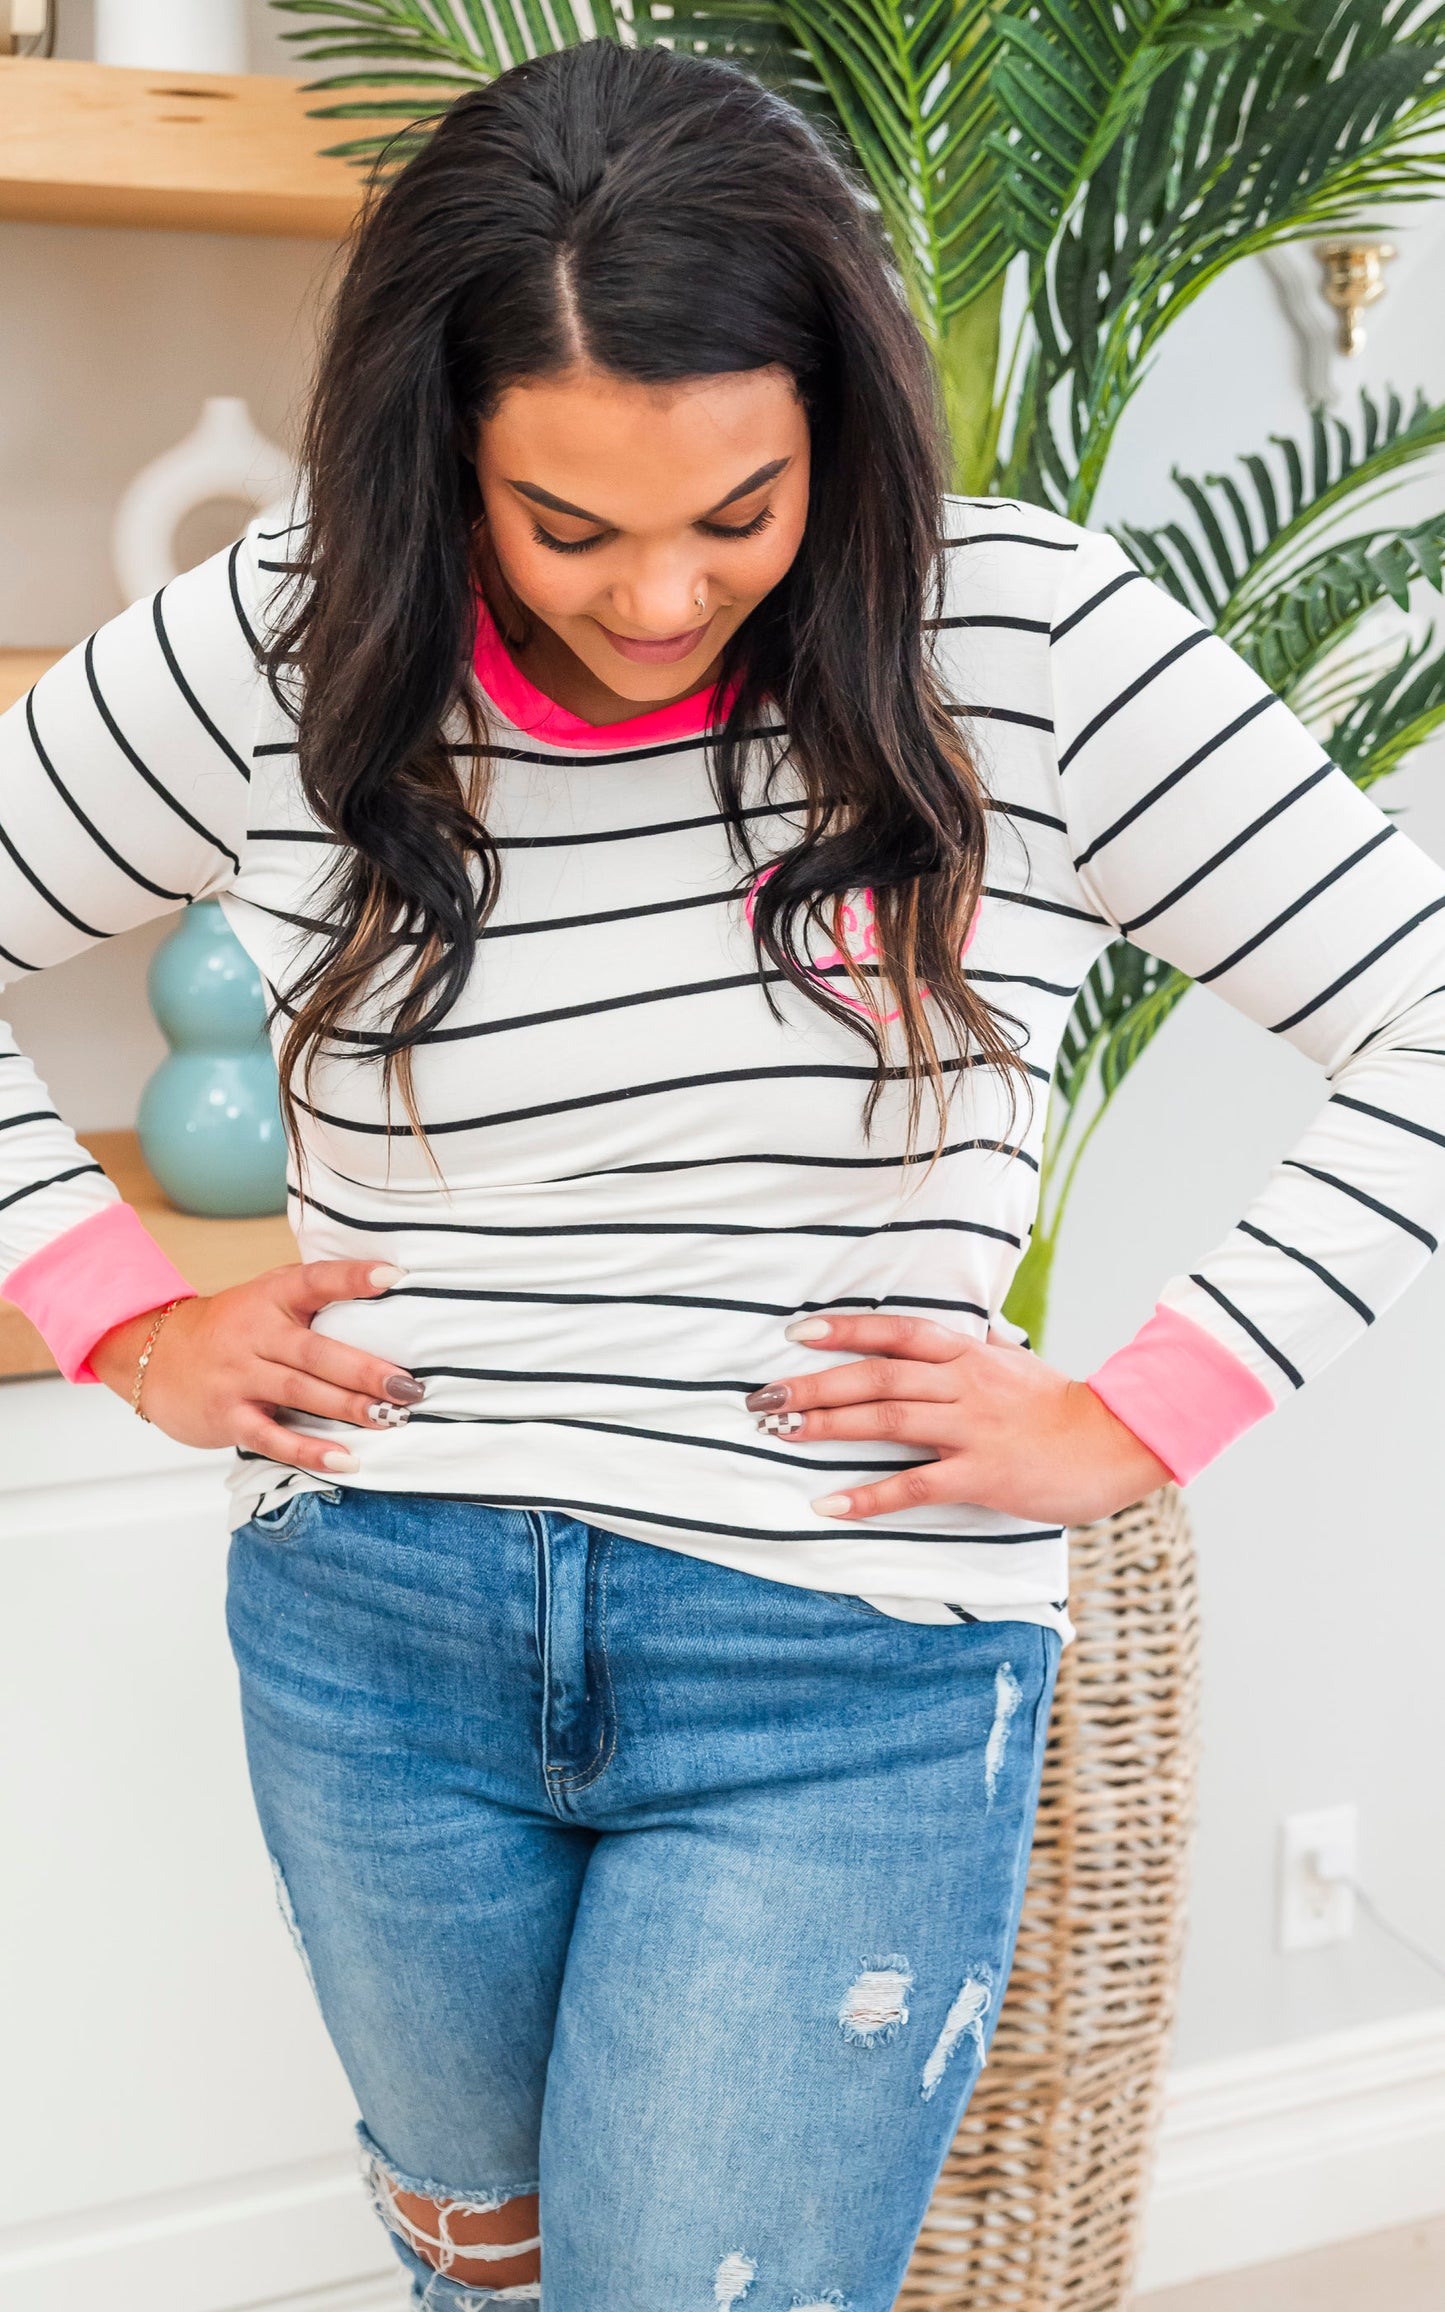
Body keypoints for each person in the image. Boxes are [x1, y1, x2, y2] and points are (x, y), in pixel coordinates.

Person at [4, 38, 1444, 2311]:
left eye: (738, 508)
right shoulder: (293, 633)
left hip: (842, 1660)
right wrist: (120, 1313)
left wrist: (1135, 1416)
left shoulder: (1026, 640)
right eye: (563, 523)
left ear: (837, 429)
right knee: (481, 2284)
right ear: (434, 453)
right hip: (376, 1638)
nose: (659, 595)